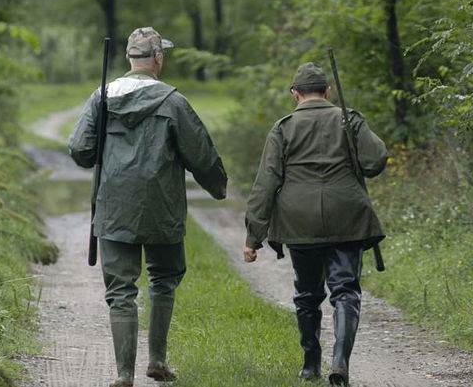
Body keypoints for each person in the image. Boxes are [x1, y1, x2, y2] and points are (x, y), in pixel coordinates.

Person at [69, 27, 227, 387]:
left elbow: (80, 149)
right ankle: (157, 360)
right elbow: (201, 154)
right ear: (157, 58)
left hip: (114, 206)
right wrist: (218, 188)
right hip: (162, 207)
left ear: (129, 58)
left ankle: (124, 375)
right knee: (163, 279)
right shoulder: (173, 101)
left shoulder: (103, 96)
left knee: (121, 289)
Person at [243, 62, 388, 386]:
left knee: (307, 293)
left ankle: (311, 365)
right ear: (328, 91)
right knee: (346, 290)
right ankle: (340, 361)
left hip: (299, 221)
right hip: (347, 215)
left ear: (295, 94)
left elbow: (265, 184)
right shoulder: (349, 119)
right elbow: (375, 161)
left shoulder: (283, 128)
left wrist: (253, 237)